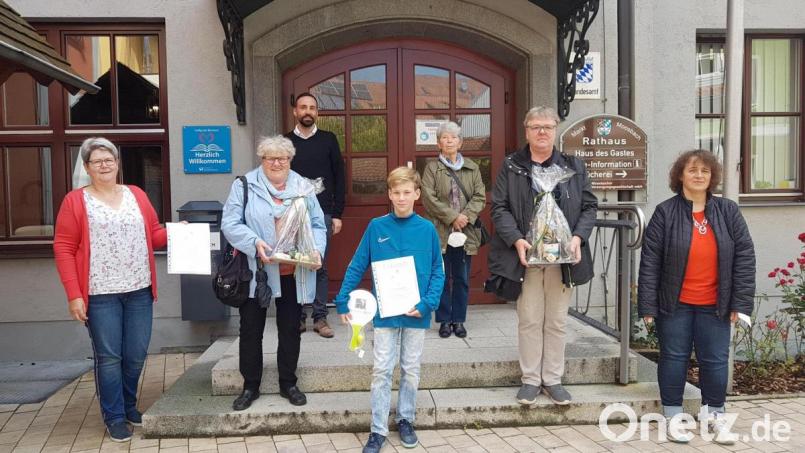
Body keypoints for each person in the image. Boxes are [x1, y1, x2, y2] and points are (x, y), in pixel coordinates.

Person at [54, 137, 167, 442]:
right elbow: (64, 248)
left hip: (139, 289)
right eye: (97, 161)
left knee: (136, 354)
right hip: (99, 293)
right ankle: (114, 416)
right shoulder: (75, 201)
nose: (104, 165)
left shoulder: (136, 194)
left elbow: (154, 234)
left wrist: (178, 234)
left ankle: (129, 406)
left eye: (109, 160)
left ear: (117, 163)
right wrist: (74, 295)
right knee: (109, 357)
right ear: (87, 167)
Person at [638, 149, 755, 444]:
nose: (699, 175)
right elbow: (650, 262)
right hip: (674, 304)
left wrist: (740, 303)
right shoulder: (665, 212)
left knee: (715, 361)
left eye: (704, 170)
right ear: (680, 175)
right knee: (673, 359)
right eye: (692, 170)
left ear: (712, 176)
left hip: (716, 305)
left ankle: (715, 415)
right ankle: (673, 416)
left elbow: (744, 257)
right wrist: (648, 305)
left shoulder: (728, 211)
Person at [488, 106, 597, 406]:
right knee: (529, 318)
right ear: (526, 131)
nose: (542, 132)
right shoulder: (512, 166)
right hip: (526, 257)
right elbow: (499, 208)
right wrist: (516, 240)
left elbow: (589, 207)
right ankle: (530, 380)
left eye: (548, 127)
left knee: (557, 320)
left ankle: (553, 378)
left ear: (556, 129)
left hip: (563, 258)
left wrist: (577, 238)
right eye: (536, 126)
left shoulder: (573, 166)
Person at [334, 167, 444, 453]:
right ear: (389, 195)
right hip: (385, 313)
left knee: (411, 369)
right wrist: (342, 298)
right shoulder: (376, 227)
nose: (402, 198)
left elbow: (438, 270)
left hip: (417, 312)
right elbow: (358, 264)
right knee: (382, 369)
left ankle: (405, 419)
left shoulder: (427, 229)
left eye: (407, 192)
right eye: (397, 192)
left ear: (417, 194)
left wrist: (428, 303)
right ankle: (378, 429)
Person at [221, 135, 327, 411]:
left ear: (290, 160)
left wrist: (317, 250)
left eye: (282, 158)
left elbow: (318, 224)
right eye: (271, 158)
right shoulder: (244, 185)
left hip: (293, 270)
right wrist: (254, 242)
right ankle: (250, 386)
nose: (277, 163)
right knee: (251, 329)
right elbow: (230, 223)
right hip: (257, 271)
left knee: (291, 328)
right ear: (262, 159)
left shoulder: (303, 187)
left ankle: (288, 383)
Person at [286, 92, 346, 338]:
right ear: (295, 112)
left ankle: (320, 317)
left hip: (323, 214)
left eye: (312, 107)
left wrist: (337, 213)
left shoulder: (328, 139)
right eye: (303, 107)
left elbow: (339, 176)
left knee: (319, 264)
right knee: (295, 263)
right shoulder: (286, 142)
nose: (307, 111)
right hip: (291, 214)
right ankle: (297, 317)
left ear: (317, 112)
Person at [421, 121, 486, 338]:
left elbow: (479, 196)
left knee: (461, 277)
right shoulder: (432, 168)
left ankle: (458, 320)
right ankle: (443, 320)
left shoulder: (472, 167)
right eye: (444, 138)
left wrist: (464, 217)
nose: (449, 141)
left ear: (460, 142)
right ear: (438, 143)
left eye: (453, 137)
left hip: (465, 231)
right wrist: (453, 217)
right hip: (439, 231)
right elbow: (428, 198)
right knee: (440, 277)